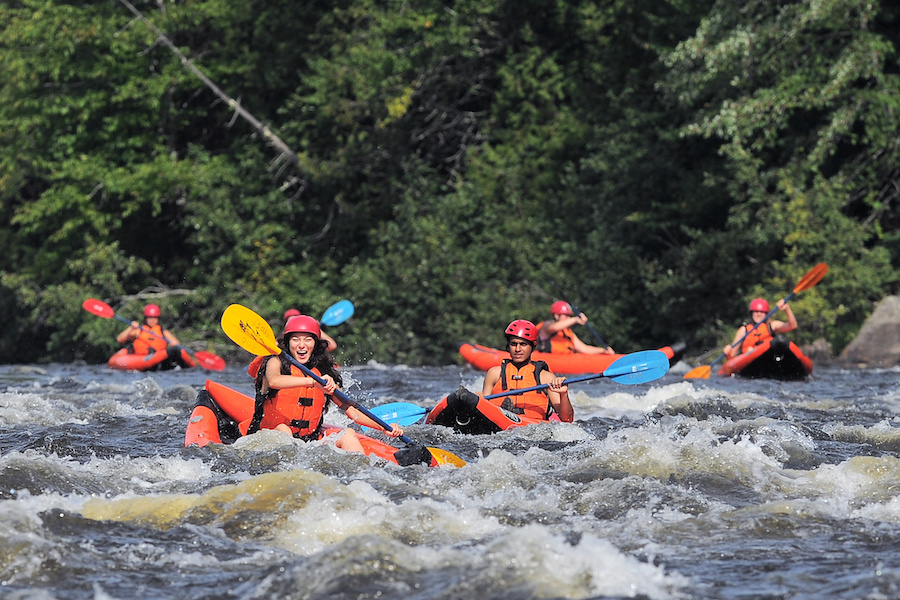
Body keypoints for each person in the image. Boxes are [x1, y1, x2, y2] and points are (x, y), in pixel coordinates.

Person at [244, 314, 402, 452]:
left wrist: (383, 428)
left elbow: (350, 409)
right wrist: (313, 382)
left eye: (308, 339)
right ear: (287, 342)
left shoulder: (323, 372)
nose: (301, 345)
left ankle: (364, 476)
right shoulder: (275, 362)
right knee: (283, 429)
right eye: (295, 339)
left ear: (315, 344)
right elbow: (274, 380)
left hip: (310, 441)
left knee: (348, 434)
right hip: (273, 434)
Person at [481, 319, 574, 423]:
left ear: (532, 346)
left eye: (523, 344)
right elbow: (483, 410)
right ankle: (505, 412)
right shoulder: (494, 373)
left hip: (533, 427)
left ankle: (508, 414)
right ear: (508, 346)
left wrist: (564, 394)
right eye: (513, 344)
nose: (517, 349)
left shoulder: (546, 377)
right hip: (499, 422)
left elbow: (567, 420)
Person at [115, 303, 192, 368]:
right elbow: (119, 339)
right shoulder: (138, 331)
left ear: (158, 318)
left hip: (159, 359)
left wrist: (174, 344)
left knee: (174, 351)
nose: (152, 320)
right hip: (141, 359)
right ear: (145, 318)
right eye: (150, 317)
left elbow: (177, 345)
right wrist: (130, 328)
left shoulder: (163, 332)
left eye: (155, 318)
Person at [724, 297, 797, 358]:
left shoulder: (771, 325)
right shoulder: (744, 330)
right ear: (751, 313)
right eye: (756, 311)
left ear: (766, 314)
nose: (759, 314)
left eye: (762, 312)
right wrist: (728, 351)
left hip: (768, 358)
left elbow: (792, 325)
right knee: (749, 349)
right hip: (749, 361)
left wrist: (786, 309)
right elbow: (732, 354)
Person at [535, 301, 615, 355]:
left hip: (567, 361)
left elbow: (585, 349)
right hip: (549, 359)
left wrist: (602, 351)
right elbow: (555, 327)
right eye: (565, 315)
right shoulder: (547, 326)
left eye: (569, 315)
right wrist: (576, 319)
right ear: (556, 315)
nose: (568, 318)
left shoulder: (568, 332)